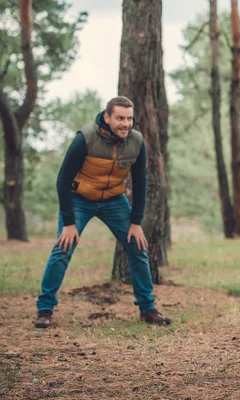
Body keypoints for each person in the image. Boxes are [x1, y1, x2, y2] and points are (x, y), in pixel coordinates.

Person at [34, 96, 172, 328]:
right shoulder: (85, 139)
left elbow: (140, 182)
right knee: (63, 248)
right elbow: (63, 179)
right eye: (120, 118)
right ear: (107, 117)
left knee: (138, 246)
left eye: (129, 119)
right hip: (79, 200)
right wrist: (69, 223)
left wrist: (136, 222)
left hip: (113, 201)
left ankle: (148, 309)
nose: (125, 124)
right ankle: (45, 309)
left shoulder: (136, 141)